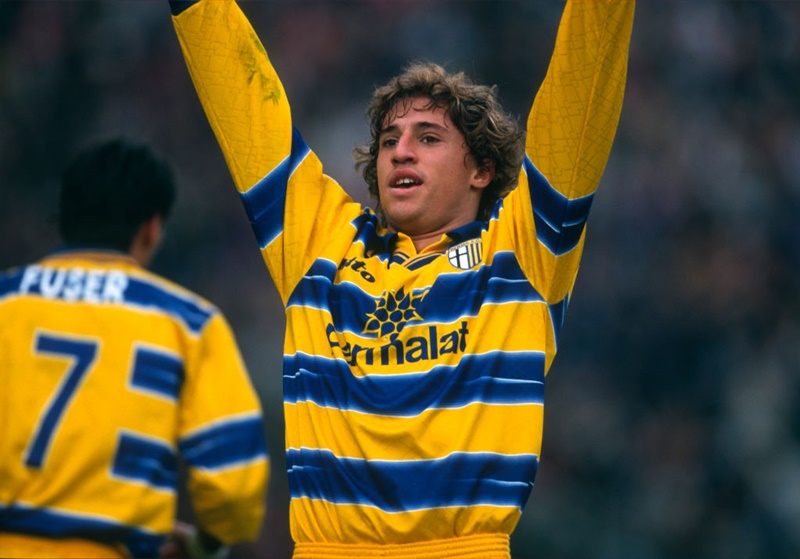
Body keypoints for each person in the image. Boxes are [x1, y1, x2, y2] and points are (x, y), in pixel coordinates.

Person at [169, 0, 634, 557]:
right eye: (389, 140)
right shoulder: (320, 243)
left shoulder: (523, 251)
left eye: (428, 138)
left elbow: (579, 91)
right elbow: (245, 108)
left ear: (482, 170)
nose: (401, 152)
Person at [0, 138, 270, 559]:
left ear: (65, 216)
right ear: (152, 227)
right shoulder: (187, 323)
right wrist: (207, 543)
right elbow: (234, 484)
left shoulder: (7, 300)